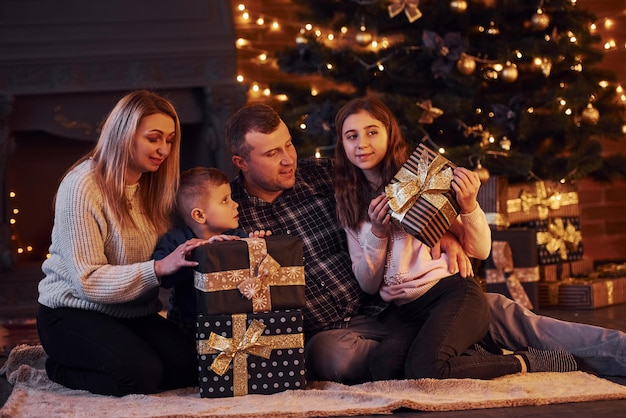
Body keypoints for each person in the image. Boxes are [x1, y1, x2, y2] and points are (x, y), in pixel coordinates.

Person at [224, 101, 626, 384]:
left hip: (405, 302)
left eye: (290, 145)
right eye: (273, 153)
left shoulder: (325, 175)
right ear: (241, 162)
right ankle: (456, 353)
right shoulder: (230, 211)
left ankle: (617, 352)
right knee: (333, 357)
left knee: (509, 316)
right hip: (343, 329)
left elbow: (401, 192)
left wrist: (448, 230)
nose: (288, 159)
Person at [333, 95, 577, 380]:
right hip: (407, 312)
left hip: (452, 293)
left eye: (372, 132)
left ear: (390, 133)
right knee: (383, 368)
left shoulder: (418, 179)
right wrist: (377, 233)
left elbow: (482, 250)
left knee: (425, 369)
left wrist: (470, 205)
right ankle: (472, 353)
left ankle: (526, 362)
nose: (362, 143)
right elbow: (368, 284)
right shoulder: (349, 203)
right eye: (352, 136)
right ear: (343, 144)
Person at [36, 90, 207, 396]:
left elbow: (165, 257)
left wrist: (205, 247)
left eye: (169, 140)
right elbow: (87, 281)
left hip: (131, 314)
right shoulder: (83, 186)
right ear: (124, 134)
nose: (163, 149)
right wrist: (157, 269)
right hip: (72, 311)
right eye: (153, 138)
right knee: (141, 378)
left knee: (193, 369)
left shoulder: (149, 185)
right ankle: (57, 368)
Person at [152, 166, 270, 337]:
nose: (235, 204)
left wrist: (257, 245)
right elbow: (164, 280)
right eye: (225, 200)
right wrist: (200, 252)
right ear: (199, 215)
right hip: (188, 326)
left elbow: (255, 274)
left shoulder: (237, 237)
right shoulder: (175, 241)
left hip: (231, 324)